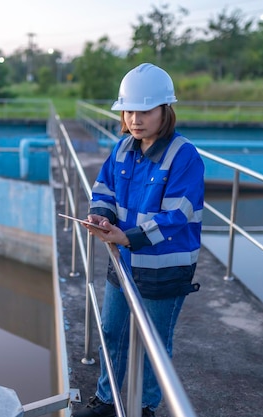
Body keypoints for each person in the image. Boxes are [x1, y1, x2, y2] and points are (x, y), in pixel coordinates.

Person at [73, 63, 205, 417]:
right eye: (129, 110)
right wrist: (103, 216)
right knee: (112, 331)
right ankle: (107, 399)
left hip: (165, 269)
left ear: (166, 110)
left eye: (145, 110)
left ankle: (144, 407)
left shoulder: (184, 156)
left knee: (153, 346)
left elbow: (177, 215)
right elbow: (104, 189)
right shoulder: (121, 149)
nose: (135, 118)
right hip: (125, 261)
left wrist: (127, 237)